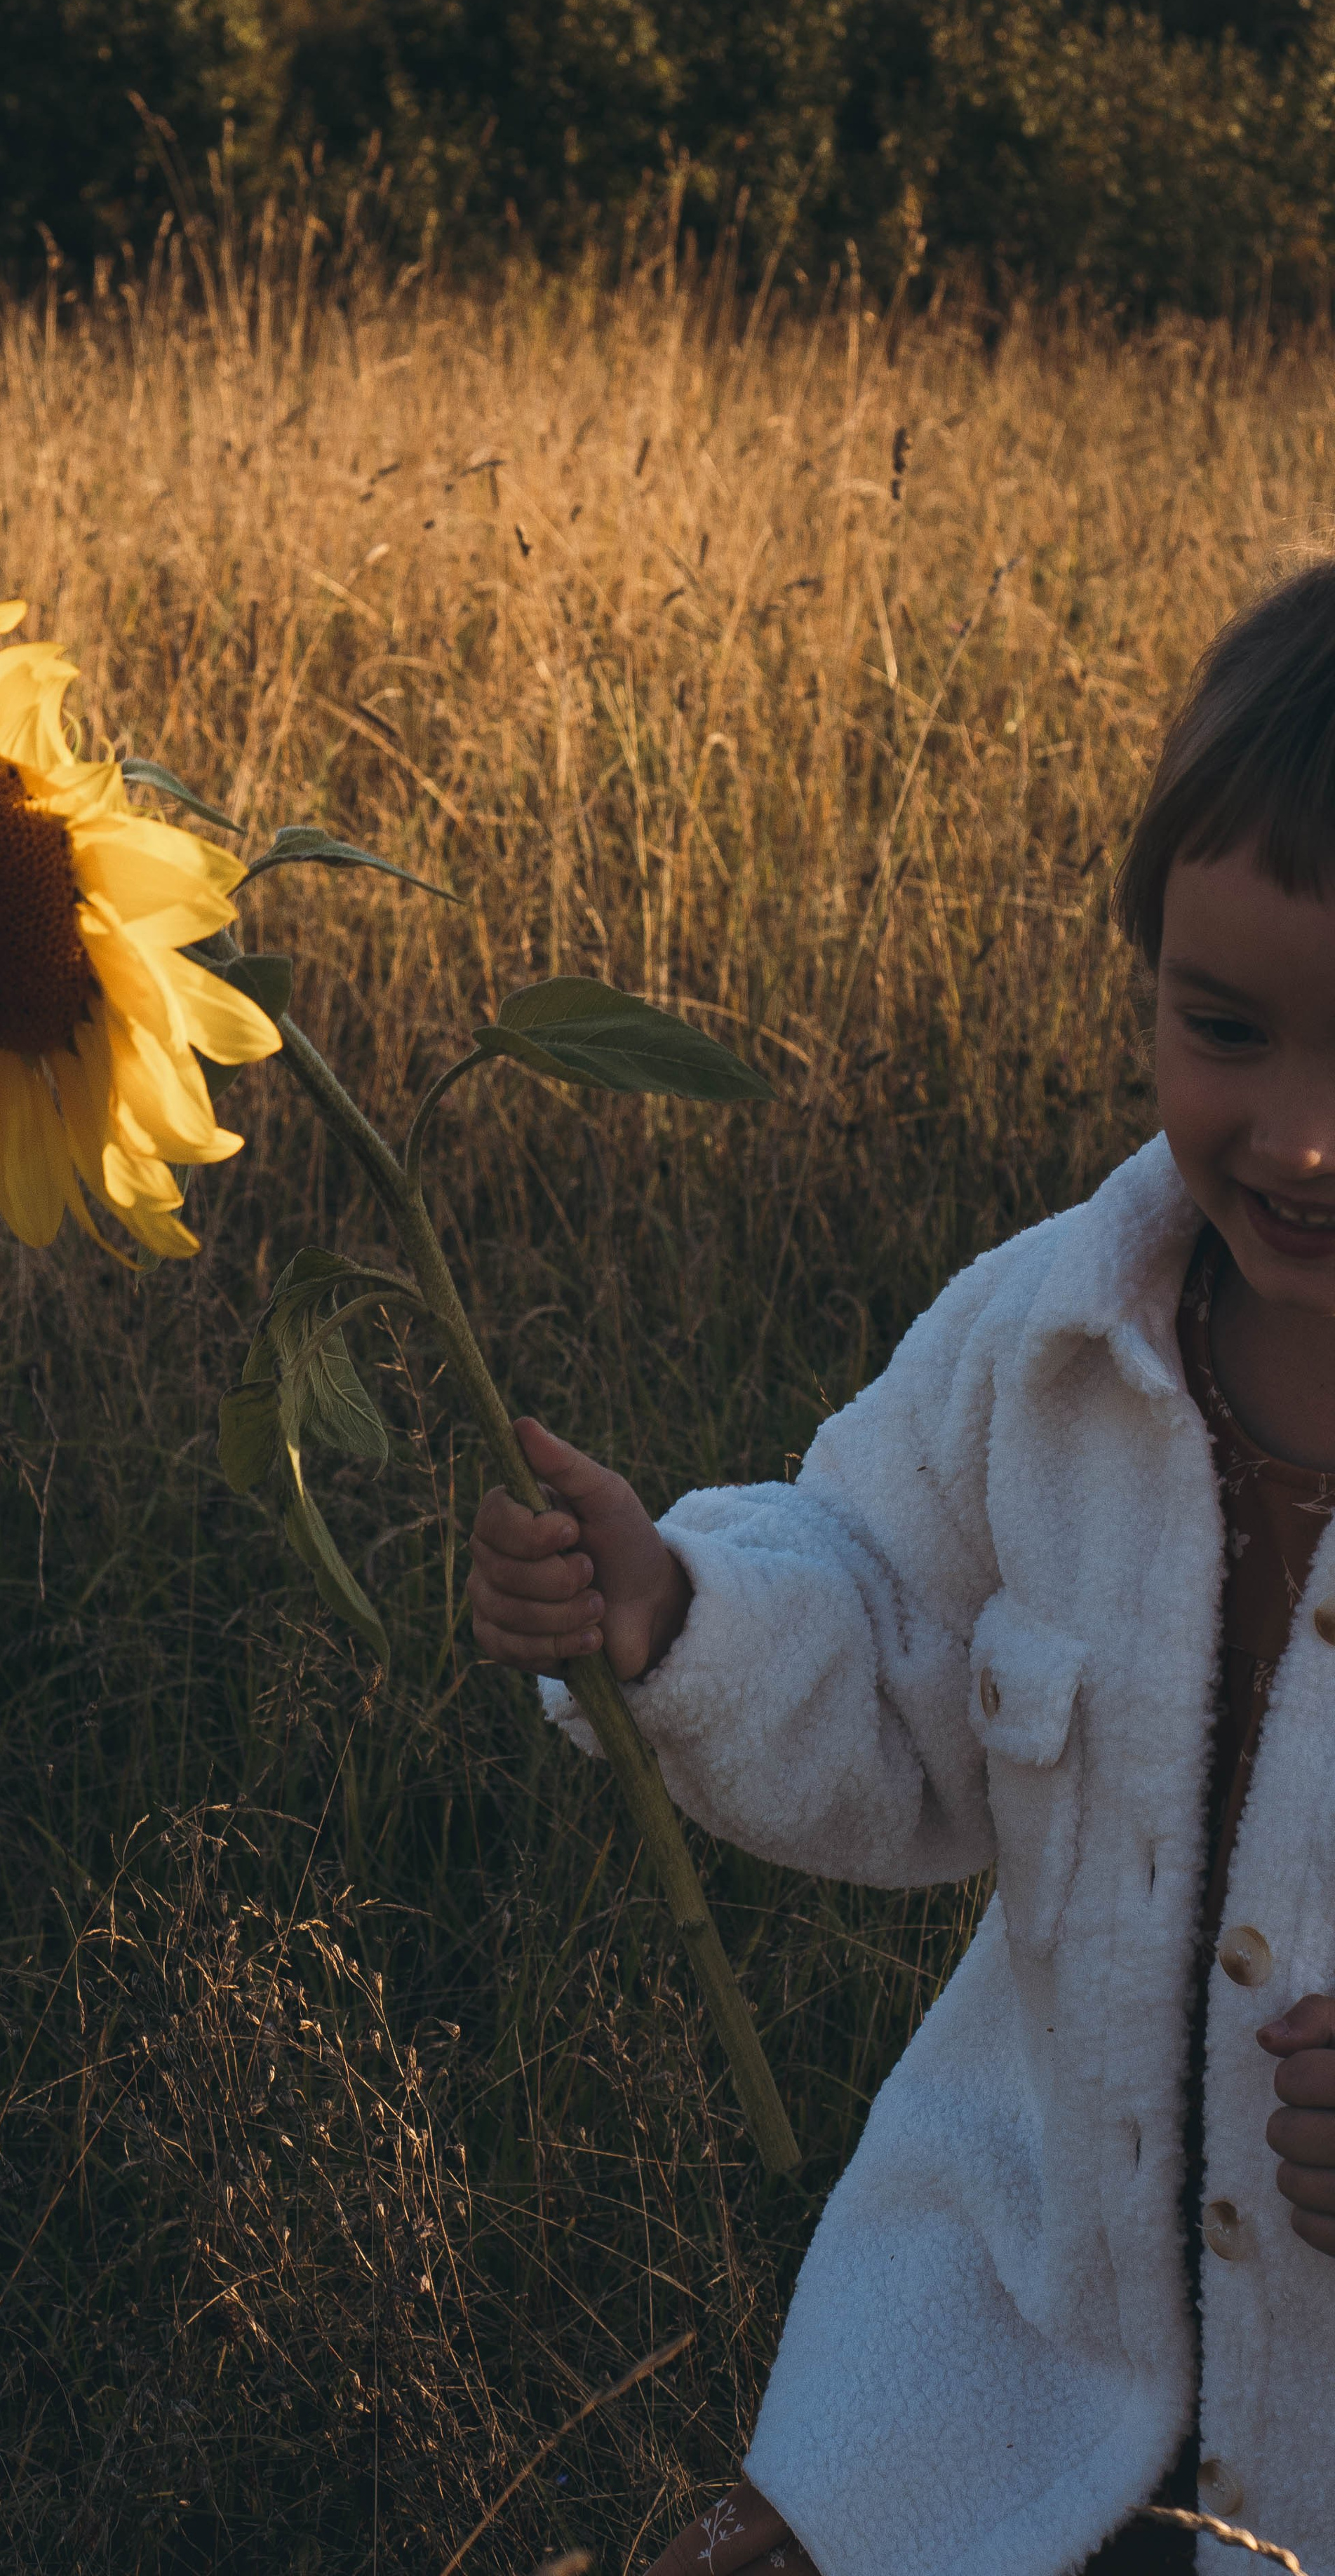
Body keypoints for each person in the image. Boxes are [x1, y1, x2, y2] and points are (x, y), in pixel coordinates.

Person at [467, 562, 1335, 2576]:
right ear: (1144, 989)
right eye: (1228, 1030)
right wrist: (672, 1613)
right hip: (1018, 2381)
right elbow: (883, 1635)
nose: (1301, 1139)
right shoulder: (1044, 1351)